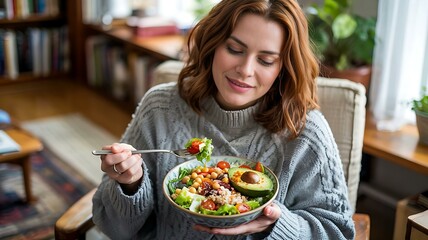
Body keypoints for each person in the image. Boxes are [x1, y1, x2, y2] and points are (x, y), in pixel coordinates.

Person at [92, 0, 355, 239]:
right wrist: (130, 184)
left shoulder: (306, 132)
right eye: (234, 49)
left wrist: (277, 225)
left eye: (265, 60)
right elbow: (113, 228)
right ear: (213, 43)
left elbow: (338, 233)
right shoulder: (161, 108)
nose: (245, 70)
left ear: (283, 67)